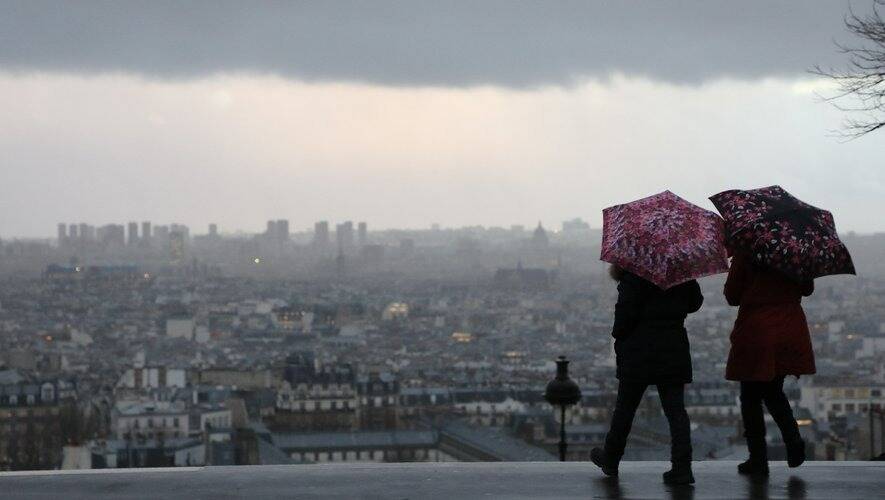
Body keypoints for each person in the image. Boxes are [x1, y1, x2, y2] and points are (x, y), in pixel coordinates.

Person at [591, 265, 703, 485]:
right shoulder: (679, 270)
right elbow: (695, 303)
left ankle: (611, 459)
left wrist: (619, 336)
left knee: (625, 408)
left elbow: (624, 317)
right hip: (672, 348)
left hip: (638, 350)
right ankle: (682, 467)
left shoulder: (635, 274)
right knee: (676, 412)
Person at [724, 251, 814, 475]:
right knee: (774, 391)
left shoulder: (747, 253)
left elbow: (732, 296)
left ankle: (758, 458)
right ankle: (793, 441)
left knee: (750, 397)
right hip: (789, 327)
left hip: (757, 329)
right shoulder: (794, 252)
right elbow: (807, 288)